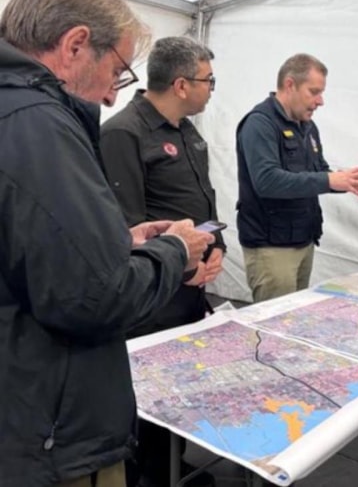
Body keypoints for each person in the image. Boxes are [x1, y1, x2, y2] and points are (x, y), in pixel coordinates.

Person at [0, 0, 213, 487]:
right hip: (50, 431)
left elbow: (36, 246)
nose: (114, 96)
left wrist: (120, 242)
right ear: (75, 45)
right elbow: (95, 296)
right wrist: (174, 251)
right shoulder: (39, 123)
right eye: (118, 71)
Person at [100, 36, 225, 486]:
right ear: (181, 84)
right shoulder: (123, 133)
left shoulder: (187, 131)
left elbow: (202, 201)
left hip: (189, 289)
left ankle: (173, 465)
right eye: (208, 80)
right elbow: (126, 226)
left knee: (180, 388)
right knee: (147, 396)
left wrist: (215, 249)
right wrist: (183, 266)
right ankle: (147, 476)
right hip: (153, 296)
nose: (212, 89)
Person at [236, 53, 358, 302]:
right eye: (314, 92)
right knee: (275, 319)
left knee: (295, 316)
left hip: (303, 239)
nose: (320, 101)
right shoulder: (260, 124)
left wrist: (345, 180)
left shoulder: (307, 126)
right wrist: (329, 181)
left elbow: (318, 170)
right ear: (290, 84)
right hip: (272, 247)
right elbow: (267, 181)